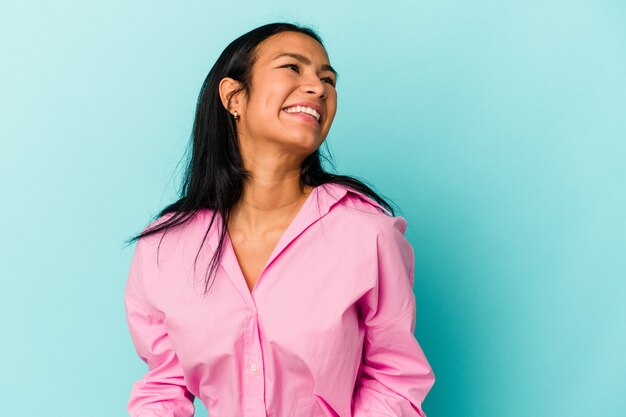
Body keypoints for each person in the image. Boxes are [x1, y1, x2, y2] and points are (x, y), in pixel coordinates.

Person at [123, 22, 435, 417]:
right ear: (234, 97)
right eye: (293, 67)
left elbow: (394, 379)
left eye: (328, 79)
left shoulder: (366, 232)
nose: (319, 88)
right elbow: (164, 386)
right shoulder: (163, 247)